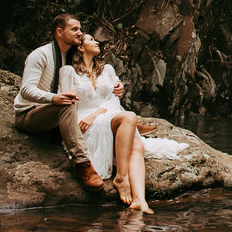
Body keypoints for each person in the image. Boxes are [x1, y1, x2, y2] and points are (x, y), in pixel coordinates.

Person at [59, 34, 186, 214]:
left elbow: (113, 99)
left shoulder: (108, 70)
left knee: (135, 141)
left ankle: (140, 200)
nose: (97, 42)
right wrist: (90, 116)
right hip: (83, 122)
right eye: (91, 40)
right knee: (129, 119)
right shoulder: (68, 71)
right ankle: (121, 178)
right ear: (80, 47)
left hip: (106, 115)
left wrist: (97, 113)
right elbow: (67, 100)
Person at [13, 13, 120, 191]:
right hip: (30, 114)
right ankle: (82, 164)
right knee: (67, 102)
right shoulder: (40, 55)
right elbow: (26, 90)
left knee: (73, 102)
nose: (80, 33)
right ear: (59, 32)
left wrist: (116, 86)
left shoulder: (71, 56)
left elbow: (92, 81)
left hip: (58, 113)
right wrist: (53, 98)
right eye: (74, 29)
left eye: (80, 29)